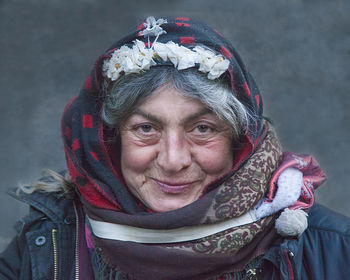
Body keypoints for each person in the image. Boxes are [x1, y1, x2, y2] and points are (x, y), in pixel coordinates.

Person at [1, 16, 349, 280]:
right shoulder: (49, 243)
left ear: (239, 140)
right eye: (146, 128)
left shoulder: (333, 250)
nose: (173, 160)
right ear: (112, 140)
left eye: (202, 128)